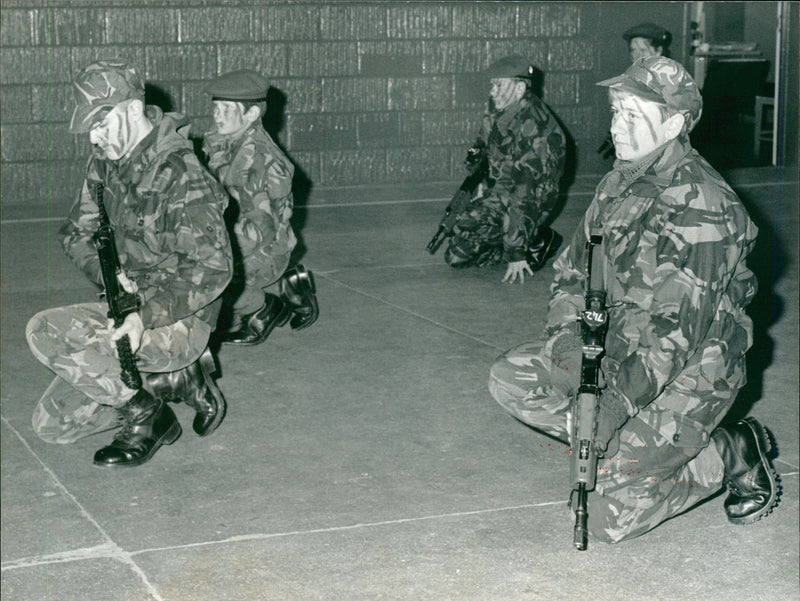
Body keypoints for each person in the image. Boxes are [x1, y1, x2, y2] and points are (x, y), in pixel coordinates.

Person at [489, 57, 779, 543]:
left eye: (630, 115)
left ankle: (730, 449)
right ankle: (620, 449)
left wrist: (613, 404)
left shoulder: (704, 205)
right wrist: (567, 346)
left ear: (673, 122)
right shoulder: (618, 183)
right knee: (512, 378)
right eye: (615, 111)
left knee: (606, 519)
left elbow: (674, 337)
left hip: (690, 370)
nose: (615, 126)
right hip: (618, 343)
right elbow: (572, 273)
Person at [26, 59, 234, 468]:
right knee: (53, 424)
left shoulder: (181, 174)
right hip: (125, 306)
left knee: (44, 329)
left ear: (134, 110)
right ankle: (169, 382)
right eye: (89, 126)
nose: (94, 135)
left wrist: (146, 314)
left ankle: (147, 414)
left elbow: (213, 268)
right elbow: (75, 233)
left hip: (179, 319)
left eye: (102, 122)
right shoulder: (105, 164)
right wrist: (111, 278)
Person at [202, 69, 319, 345]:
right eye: (216, 107)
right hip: (241, 237)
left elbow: (261, 230)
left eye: (226, 109)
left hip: (262, 247)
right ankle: (293, 285)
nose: (217, 115)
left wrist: (206, 250)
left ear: (252, 114)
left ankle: (262, 307)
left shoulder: (261, 163)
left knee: (202, 287)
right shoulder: (224, 141)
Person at [444, 56, 566, 284]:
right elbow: (482, 144)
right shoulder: (501, 107)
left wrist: (516, 252)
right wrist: (478, 180)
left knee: (474, 224)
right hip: (503, 188)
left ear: (520, 88)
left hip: (535, 197)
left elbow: (526, 193)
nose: (492, 91)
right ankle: (512, 239)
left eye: (499, 85)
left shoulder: (536, 129)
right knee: (455, 254)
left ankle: (537, 239)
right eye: (492, 84)